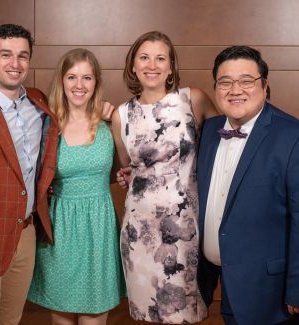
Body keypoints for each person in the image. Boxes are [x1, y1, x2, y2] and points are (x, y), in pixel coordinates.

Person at [112, 31, 218, 324]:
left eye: (161, 58)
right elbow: (128, 169)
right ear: (133, 64)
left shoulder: (193, 100)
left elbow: (226, 145)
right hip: (139, 230)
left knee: (184, 313)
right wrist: (125, 177)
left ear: (171, 66)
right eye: (144, 57)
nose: (152, 65)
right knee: (147, 313)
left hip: (183, 230)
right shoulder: (121, 115)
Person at [197, 45, 299, 325]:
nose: (235, 90)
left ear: (264, 86)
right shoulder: (208, 131)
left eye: (246, 81)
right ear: (216, 88)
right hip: (222, 282)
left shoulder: (292, 136)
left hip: (270, 293)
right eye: (225, 82)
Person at [28, 48, 125, 325]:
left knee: (94, 317)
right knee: (62, 317)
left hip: (99, 228)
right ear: (61, 81)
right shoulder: (47, 126)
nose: (79, 85)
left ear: (96, 82)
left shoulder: (111, 121)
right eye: (72, 77)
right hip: (60, 230)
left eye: (87, 77)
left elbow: (125, 169)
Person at [0, 24, 58, 325]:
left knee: (11, 320)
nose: (15, 64)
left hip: (25, 234)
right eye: (6, 54)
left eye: (23, 56)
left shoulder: (39, 102)